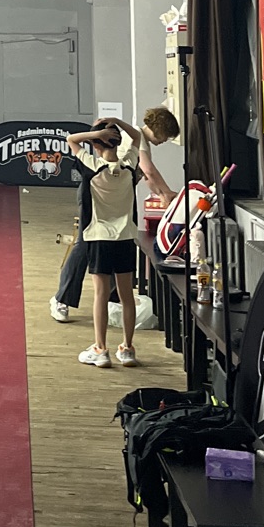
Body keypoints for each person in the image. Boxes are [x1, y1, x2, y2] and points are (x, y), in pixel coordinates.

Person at [60, 115, 177, 368]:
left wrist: (96, 135)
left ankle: (101, 349)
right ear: (117, 141)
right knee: (126, 296)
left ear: (97, 145)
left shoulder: (92, 165)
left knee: (101, 295)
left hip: (98, 237)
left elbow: (71, 139)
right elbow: (136, 136)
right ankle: (128, 348)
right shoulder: (129, 166)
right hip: (124, 238)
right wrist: (117, 122)